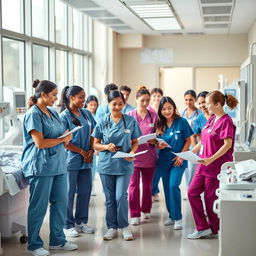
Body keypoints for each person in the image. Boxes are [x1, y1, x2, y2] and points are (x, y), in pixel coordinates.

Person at [21, 80, 77, 256]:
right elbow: (40, 142)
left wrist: (66, 137)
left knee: (60, 203)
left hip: (58, 164)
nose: (56, 98)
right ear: (43, 95)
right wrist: (62, 139)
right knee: (38, 207)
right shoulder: (33, 114)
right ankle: (34, 245)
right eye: (53, 95)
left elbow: (57, 134)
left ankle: (58, 240)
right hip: (41, 166)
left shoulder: (52, 113)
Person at [187, 90, 237, 239]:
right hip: (203, 164)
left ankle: (214, 229)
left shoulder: (226, 121)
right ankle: (202, 227)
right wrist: (190, 154)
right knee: (191, 193)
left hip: (215, 167)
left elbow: (227, 145)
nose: (205, 106)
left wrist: (211, 159)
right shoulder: (212, 119)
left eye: (208, 104)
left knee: (210, 200)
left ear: (217, 104)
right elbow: (203, 140)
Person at [92, 90, 142, 241]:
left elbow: (135, 142)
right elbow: (95, 144)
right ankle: (112, 227)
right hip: (106, 165)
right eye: (114, 104)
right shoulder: (102, 121)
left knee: (120, 196)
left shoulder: (130, 121)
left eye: (120, 104)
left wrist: (132, 153)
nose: (118, 107)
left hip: (124, 164)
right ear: (108, 104)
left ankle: (124, 226)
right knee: (109, 198)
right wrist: (106, 147)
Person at [59, 86, 96, 238]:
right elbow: (65, 142)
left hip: (87, 159)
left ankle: (81, 222)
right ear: (71, 97)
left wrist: (91, 151)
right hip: (71, 160)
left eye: (84, 96)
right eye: (81, 97)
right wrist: (82, 152)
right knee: (68, 193)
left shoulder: (86, 113)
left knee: (85, 192)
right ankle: (67, 225)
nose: (84, 100)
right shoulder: (64, 116)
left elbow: (94, 132)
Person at [155, 97, 193, 230]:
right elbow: (156, 141)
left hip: (178, 161)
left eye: (169, 108)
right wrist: (158, 146)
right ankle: (171, 215)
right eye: (164, 109)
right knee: (166, 189)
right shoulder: (159, 124)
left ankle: (178, 218)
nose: (167, 111)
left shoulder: (181, 122)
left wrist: (181, 156)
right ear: (160, 110)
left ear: (174, 108)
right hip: (164, 161)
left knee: (173, 186)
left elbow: (188, 140)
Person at [127, 86, 158, 225]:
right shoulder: (129, 116)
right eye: (142, 101)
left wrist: (154, 140)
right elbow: (125, 135)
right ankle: (134, 214)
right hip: (134, 155)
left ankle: (146, 210)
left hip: (149, 155)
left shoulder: (154, 116)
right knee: (133, 185)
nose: (145, 103)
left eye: (147, 100)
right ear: (136, 100)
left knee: (147, 185)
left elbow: (158, 135)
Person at [181, 90, 203, 197]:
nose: (188, 102)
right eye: (186, 99)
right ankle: (188, 190)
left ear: (195, 100)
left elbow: (200, 132)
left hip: (196, 146)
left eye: (191, 99)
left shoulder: (200, 114)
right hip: (185, 145)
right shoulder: (181, 113)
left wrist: (196, 147)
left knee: (193, 169)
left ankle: (191, 190)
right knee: (187, 170)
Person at [149, 88, 164, 202]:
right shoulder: (147, 110)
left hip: (161, 142)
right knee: (151, 169)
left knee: (158, 168)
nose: (156, 98)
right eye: (154, 95)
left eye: (159, 96)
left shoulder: (163, 110)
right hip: (149, 143)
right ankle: (151, 190)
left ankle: (154, 190)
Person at [85, 95, 99, 195]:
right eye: (91, 105)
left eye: (95, 105)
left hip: (94, 144)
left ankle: (91, 185)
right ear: (87, 104)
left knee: (93, 167)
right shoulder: (84, 114)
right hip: (86, 143)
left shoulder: (98, 115)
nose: (93, 107)